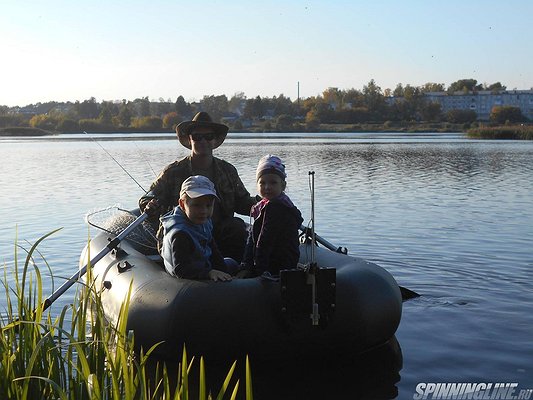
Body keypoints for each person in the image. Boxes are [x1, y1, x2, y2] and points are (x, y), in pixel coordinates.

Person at [140, 111, 256, 262]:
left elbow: (243, 202)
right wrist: (150, 206)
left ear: (215, 140)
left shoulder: (228, 170)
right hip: (185, 233)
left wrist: (265, 203)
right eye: (197, 137)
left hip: (219, 233)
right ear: (189, 139)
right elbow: (147, 198)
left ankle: (240, 272)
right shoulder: (172, 172)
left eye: (208, 137)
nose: (203, 141)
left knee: (237, 227)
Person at [160, 175, 235, 281]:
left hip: (201, 265)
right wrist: (208, 273)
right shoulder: (179, 234)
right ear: (182, 204)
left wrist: (224, 272)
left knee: (231, 264)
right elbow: (181, 270)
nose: (203, 211)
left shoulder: (204, 221)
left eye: (208, 206)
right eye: (197, 205)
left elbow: (213, 250)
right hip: (185, 280)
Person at [239, 155, 303, 278]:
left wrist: (257, 270)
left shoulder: (277, 208)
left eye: (273, 182)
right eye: (262, 183)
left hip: (278, 266)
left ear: (283, 185)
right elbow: (253, 238)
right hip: (272, 263)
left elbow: (264, 242)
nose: (267, 187)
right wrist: (246, 265)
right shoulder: (263, 207)